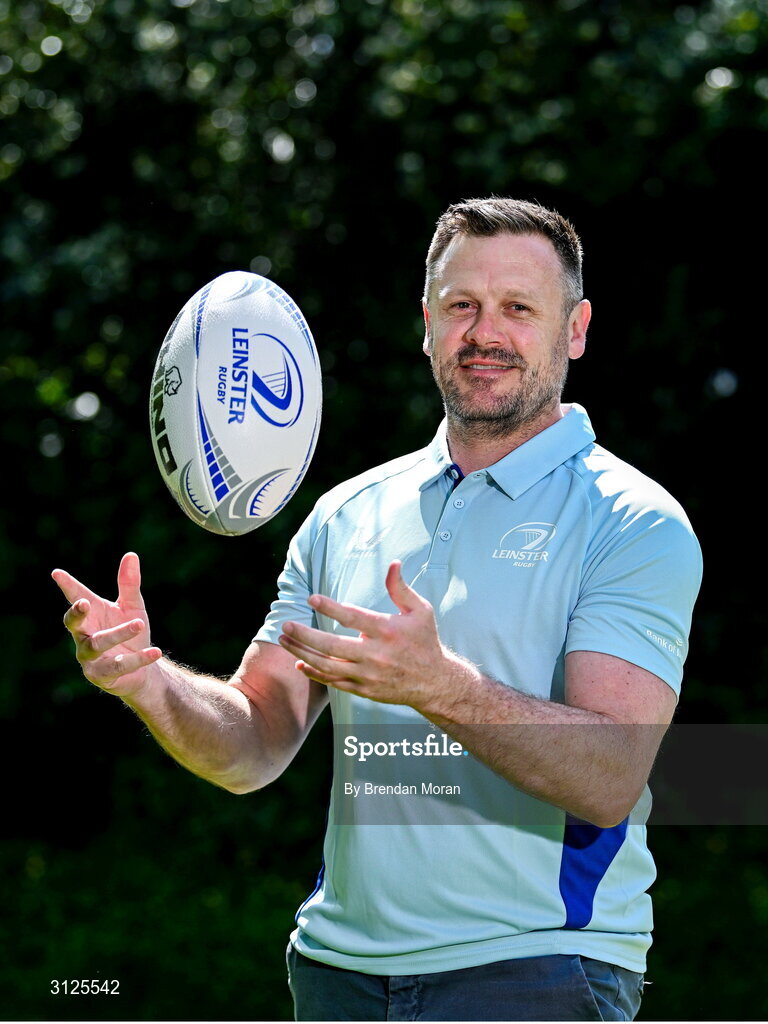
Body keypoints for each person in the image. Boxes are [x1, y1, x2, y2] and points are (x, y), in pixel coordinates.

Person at [53, 197, 702, 1022]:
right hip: (337, 973)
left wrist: (440, 686)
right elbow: (255, 742)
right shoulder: (347, 513)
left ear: (574, 329)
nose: (485, 332)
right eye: (461, 305)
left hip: (532, 969)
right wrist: (148, 682)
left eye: (518, 308)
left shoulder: (633, 520)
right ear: (426, 322)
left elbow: (611, 778)